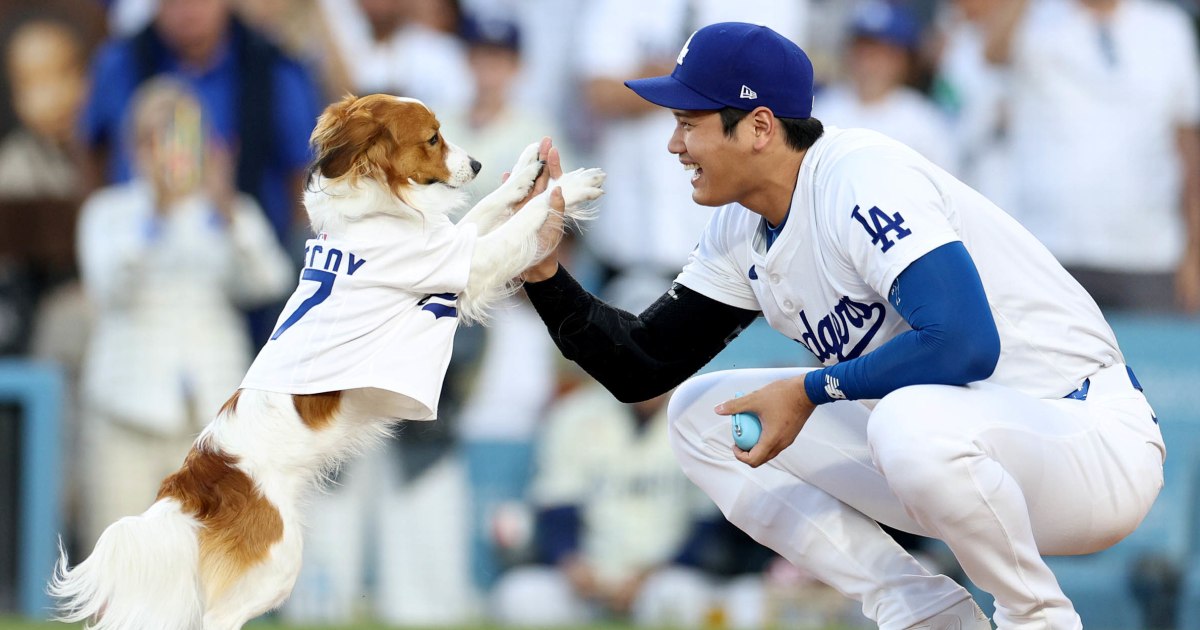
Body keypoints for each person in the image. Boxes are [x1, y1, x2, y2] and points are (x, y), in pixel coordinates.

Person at [516, 22, 1165, 630]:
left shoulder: (859, 176)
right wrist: (544, 273)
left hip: (1084, 439)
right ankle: (923, 612)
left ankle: (1039, 618)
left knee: (906, 423)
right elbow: (641, 365)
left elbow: (964, 341)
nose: (674, 143)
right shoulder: (741, 228)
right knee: (701, 418)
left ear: (760, 126)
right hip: (963, 453)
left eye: (690, 122)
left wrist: (810, 390)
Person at [75, 77, 294, 549]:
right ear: (136, 145)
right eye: (156, 137)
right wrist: (155, 216)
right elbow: (107, 288)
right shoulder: (109, 212)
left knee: (202, 558)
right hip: (125, 410)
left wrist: (228, 209)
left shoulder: (226, 211)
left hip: (207, 419)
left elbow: (270, 282)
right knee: (123, 553)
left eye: (179, 134)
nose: (168, 149)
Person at [982, 0, 1200, 312]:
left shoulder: (1168, 27)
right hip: (1049, 247)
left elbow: (1187, 147)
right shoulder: (1033, 17)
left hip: (1150, 249)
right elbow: (991, 53)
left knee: (1153, 360)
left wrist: (1194, 253)